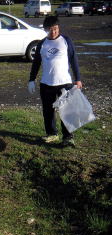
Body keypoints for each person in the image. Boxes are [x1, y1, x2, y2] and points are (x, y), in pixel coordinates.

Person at [28, 16, 82, 147]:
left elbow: (74, 60)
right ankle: (52, 133)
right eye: (50, 30)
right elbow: (36, 63)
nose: (53, 32)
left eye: (56, 29)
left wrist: (78, 79)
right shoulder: (42, 44)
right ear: (46, 29)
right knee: (48, 111)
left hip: (65, 83)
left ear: (59, 28)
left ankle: (68, 137)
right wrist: (31, 79)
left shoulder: (66, 41)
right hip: (47, 83)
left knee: (67, 111)